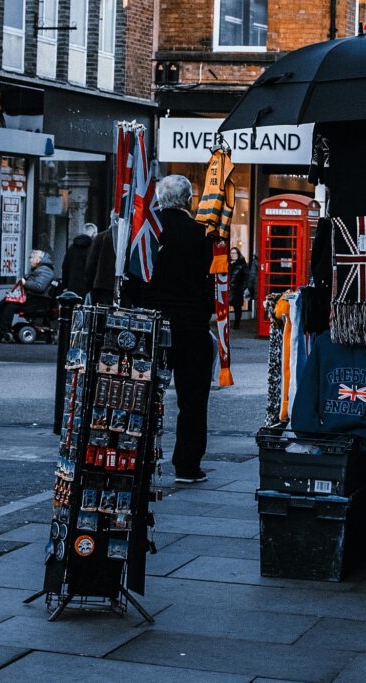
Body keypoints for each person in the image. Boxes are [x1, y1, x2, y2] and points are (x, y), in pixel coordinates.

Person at [145, 175, 217, 483]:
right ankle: (187, 465)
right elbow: (210, 286)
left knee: (146, 395)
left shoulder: (148, 233)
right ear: (188, 200)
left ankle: (139, 459)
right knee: (192, 399)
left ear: (160, 199)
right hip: (190, 326)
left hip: (152, 324)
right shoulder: (202, 235)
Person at [0, 250, 54, 338]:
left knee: (10, 306)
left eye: (32, 257)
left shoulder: (46, 271)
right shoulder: (38, 269)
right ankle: (1, 328)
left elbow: (39, 287)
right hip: (31, 298)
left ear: (39, 260)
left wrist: (25, 283)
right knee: (4, 302)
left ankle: (5, 329)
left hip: (37, 302)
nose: (30, 260)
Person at [61, 223, 96, 298]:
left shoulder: (72, 247)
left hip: (72, 286)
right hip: (88, 287)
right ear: (94, 234)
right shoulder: (93, 247)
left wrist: (65, 285)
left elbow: (65, 267)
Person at [228, 247, 248, 330]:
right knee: (225, 306)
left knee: (237, 307)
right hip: (228, 288)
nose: (233, 255)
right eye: (231, 253)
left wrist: (242, 288)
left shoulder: (242, 265)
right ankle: (226, 323)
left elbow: (246, 278)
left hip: (237, 289)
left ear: (238, 254)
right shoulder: (228, 264)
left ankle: (237, 324)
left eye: (235, 253)